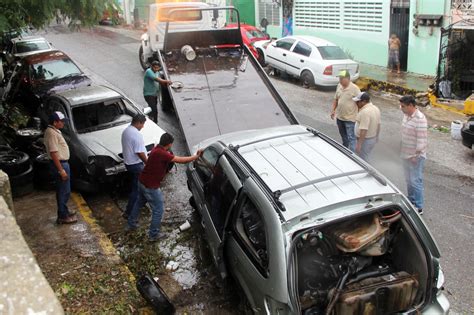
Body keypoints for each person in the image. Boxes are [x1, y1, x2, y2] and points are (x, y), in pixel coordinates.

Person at [127, 133, 202, 242]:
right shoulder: (162, 153)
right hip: (150, 186)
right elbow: (182, 160)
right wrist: (196, 156)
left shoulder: (156, 149)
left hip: (142, 181)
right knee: (158, 210)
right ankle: (153, 235)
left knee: (139, 202)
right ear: (169, 144)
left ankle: (131, 224)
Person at [44, 111, 77, 224]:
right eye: (61, 121)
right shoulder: (51, 133)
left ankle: (64, 211)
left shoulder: (54, 131)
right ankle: (62, 216)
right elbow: (53, 153)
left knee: (65, 190)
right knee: (63, 191)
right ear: (55, 122)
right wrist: (61, 170)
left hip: (63, 163)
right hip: (60, 164)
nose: (63, 123)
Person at [399, 95, 427, 214]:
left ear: (411, 105)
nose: (401, 108)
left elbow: (422, 140)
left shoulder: (420, 119)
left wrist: (416, 155)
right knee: (408, 180)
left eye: (403, 106)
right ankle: (411, 200)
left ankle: (419, 206)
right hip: (405, 153)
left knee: (415, 181)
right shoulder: (406, 115)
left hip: (415, 156)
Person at [121, 114, 148, 219]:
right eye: (142, 124)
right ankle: (129, 212)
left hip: (129, 163)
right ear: (139, 123)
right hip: (136, 165)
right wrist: (147, 163)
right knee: (137, 189)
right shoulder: (136, 134)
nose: (143, 127)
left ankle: (141, 203)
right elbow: (140, 152)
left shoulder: (126, 131)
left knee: (140, 186)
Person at [331, 70, 361, 152]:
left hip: (350, 119)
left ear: (348, 78)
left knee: (352, 138)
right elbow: (336, 99)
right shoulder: (339, 86)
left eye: (342, 78)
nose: (340, 80)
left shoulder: (355, 89)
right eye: (339, 78)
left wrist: (360, 117)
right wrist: (333, 110)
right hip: (340, 118)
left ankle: (352, 156)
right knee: (344, 137)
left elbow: (360, 103)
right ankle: (344, 151)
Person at [354, 92, 381, 162]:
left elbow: (364, 130)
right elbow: (378, 125)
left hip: (365, 141)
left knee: (363, 159)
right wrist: (377, 137)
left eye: (358, 101)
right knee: (367, 155)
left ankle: (368, 171)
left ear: (364, 101)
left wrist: (359, 145)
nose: (356, 103)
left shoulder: (365, 112)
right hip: (372, 139)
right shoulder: (375, 108)